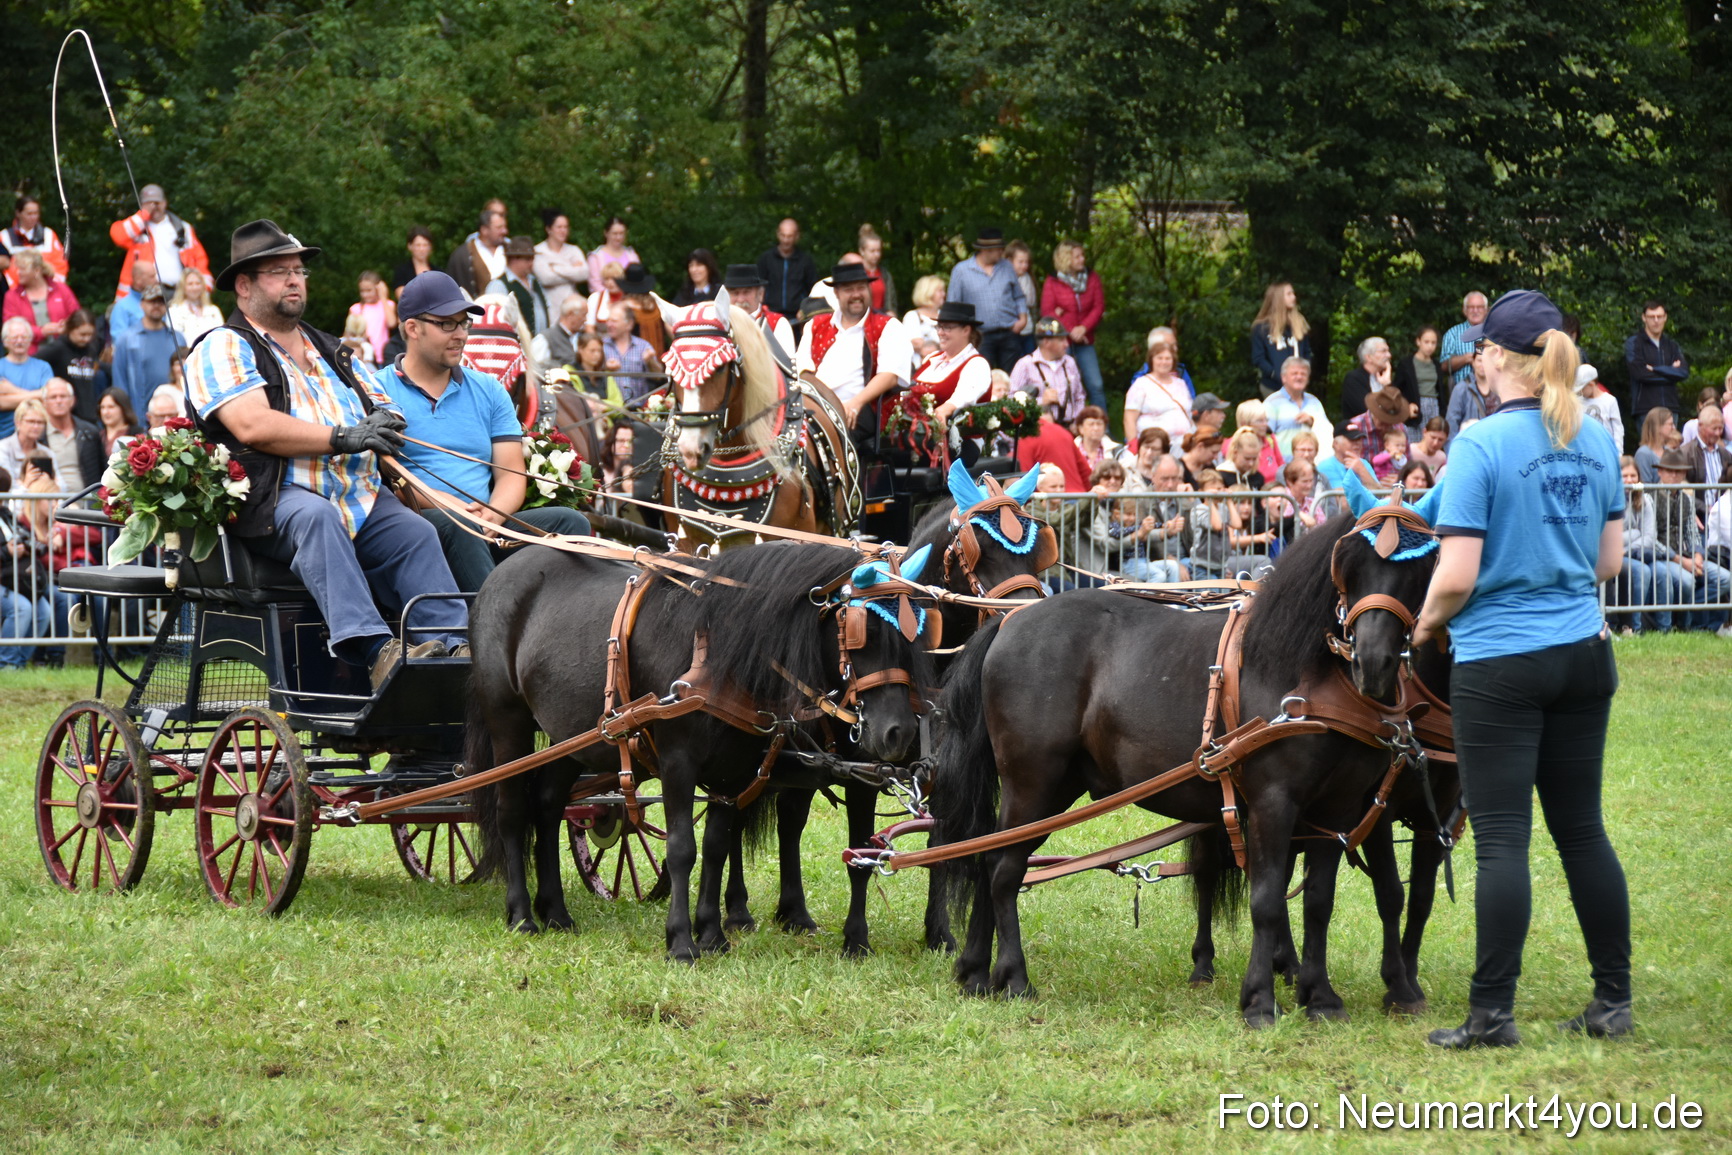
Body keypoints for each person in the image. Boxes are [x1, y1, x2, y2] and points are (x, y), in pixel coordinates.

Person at [1412, 288, 1631, 1049]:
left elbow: (1457, 573)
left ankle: (1491, 1015)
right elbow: (1609, 562)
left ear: (1492, 358)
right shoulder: (1596, 434)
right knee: (1583, 831)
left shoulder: (1478, 443)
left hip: (1501, 660)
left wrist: (1425, 623)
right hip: (1584, 653)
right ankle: (1613, 1000)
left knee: (1503, 839)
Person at [186, 219, 468, 686]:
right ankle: (377, 652)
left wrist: (386, 421)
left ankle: (456, 649)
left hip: (357, 495)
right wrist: (342, 437)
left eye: (299, 270)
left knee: (416, 532)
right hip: (276, 497)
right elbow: (253, 425)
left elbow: (383, 402)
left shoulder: (330, 348)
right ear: (243, 284)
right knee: (318, 519)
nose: (295, 279)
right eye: (279, 272)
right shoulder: (223, 346)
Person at [379, 272, 589, 592]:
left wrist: (493, 513)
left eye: (464, 324)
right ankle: (495, 629)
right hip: (421, 522)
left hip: (487, 522)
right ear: (412, 328)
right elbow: (390, 479)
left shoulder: (489, 390)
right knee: (460, 527)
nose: (461, 335)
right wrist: (452, 506)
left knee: (571, 524)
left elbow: (510, 474)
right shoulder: (377, 390)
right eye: (448, 324)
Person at [795, 263, 912, 437]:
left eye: (861, 288)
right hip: (815, 406)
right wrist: (821, 405)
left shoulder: (888, 326)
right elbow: (802, 371)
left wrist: (855, 403)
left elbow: (889, 376)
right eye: (849, 289)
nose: (856, 294)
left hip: (861, 408)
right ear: (837, 293)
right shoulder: (815, 325)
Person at [908, 301, 992, 468]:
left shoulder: (977, 364)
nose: (940, 333)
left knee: (898, 449)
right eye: (939, 327)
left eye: (947, 328)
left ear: (966, 330)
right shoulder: (931, 359)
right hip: (920, 435)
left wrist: (945, 409)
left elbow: (963, 397)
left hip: (958, 444)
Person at [945, 228, 1027, 373]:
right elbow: (954, 305)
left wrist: (1023, 318)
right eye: (998, 249)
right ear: (986, 250)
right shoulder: (962, 270)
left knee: (1013, 377)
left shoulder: (1007, 266)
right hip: (980, 335)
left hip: (1009, 332)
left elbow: (1018, 296)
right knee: (982, 377)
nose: (1002, 252)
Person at [108, 184, 210, 297]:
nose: (153, 206)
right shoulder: (137, 230)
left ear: (165, 203)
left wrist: (204, 291)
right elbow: (118, 236)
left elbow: (200, 259)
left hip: (179, 293)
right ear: (142, 205)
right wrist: (144, 214)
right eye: (148, 203)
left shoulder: (182, 228)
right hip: (146, 293)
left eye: (157, 202)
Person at [0, 465, 55, 670]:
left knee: (43, 610)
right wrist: (7, 552)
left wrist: (30, 545)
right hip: (5, 580)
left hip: (14, 579)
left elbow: (27, 538)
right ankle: (6, 664)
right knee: (21, 608)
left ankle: (19, 663)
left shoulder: (5, 514)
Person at [1040, 239, 1105, 409]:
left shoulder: (1092, 278)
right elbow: (1047, 312)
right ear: (1065, 258)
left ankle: (1102, 429)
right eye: (1077, 256)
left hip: (1085, 339)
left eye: (1082, 255)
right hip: (1062, 342)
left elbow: (1098, 307)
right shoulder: (1052, 281)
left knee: (1096, 384)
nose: (1082, 259)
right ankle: (1065, 425)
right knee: (1063, 385)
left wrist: (1083, 328)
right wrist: (1070, 331)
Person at [111, 284, 186, 418]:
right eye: (151, 301)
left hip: (176, 415)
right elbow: (119, 381)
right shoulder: (127, 339)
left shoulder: (178, 339)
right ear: (142, 304)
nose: (156, 305)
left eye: (161, 301)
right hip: (139, 416)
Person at [1008, 318, 1085, 425]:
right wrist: (1041, 401)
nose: (1066, 344)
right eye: (1061, 340)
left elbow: (1079, 397)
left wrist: (1078, 423)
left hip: (1070, 428)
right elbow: (1011, 400)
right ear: (1047, 342)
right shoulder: (1025, 364)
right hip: (1040, 430)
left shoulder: (1069, 362)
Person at [1624, 299, 1687, 428]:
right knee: (1650, 448)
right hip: (1646, 409)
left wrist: (1655, 369)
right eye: (1652, 317)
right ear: (1643, 318)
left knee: (1670, 448)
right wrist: (1670, 372)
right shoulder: (1634, 343)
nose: (1656, 320)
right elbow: (1640, 374)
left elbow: (1683, 372)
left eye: (1659, 316)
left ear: (1665, 318)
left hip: (1671, 407)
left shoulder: (1672, 346)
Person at [2, 250, 80, 354]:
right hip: (29, 354)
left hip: (63, 351)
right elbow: (10, 327)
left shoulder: (61, 289)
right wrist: (42, 331)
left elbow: (78, 316)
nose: (18, 273)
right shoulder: (12, 296)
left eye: (22, 269)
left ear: (37, 271)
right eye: (17, 269)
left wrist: (66, 325)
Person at [37, 310, 107, 422]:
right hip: (67, 415)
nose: (87, 339)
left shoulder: (91, 347)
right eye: (82, 334)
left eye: (90, 335)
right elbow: (33, 362)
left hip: (89, 412)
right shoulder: (57, 348)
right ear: (70, 330)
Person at [1248, 282, 1312, 398]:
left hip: (1297, 386)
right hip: (1272, 387)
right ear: (1278, 298)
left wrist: (1303, 372)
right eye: (1289, 294)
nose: (1294, 297)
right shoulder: (1261, 328)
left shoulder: (1300, 324)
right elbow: (1258, 358)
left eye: (1293, 293)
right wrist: (1275, 374)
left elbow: (1307, 353)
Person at [39, 378, 103, 493]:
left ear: (72, 400)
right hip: (52, 504)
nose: (58, 401)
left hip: (87, 504)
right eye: (53, 397)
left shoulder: (89, 432)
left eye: (63, 396)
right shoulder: (38, 434)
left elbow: (101, 470)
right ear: (44, 402)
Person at [1123, 338, 1193, 445]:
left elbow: (1189, 414)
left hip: (1183, 444)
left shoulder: (1181, 384)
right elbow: (1129, 419)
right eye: (1159, 358)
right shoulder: (1141, 384)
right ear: (1152, 360)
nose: (1164, 362)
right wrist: (1133, 446)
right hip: (1154, 445)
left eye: (1167, 358)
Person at [1263, 356, 1332, 457]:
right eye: (1294, 373)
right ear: (1284, 377)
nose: (1299, 377)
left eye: (1303, 374)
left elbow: (1328, 432)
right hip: (1282, 467)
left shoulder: (1314, 402)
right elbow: (1265, 437)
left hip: (1311, 465)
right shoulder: (1272, 402)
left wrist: (1313, 422)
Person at [721, 264, 795, 358]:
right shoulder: (719, 323)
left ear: (760, 294)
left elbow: (786, 367)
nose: (740, 299)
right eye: (735, 293)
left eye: (746, 292)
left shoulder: (778, 323)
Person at [481, 237, 548, 338]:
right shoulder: (499, 285)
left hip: (539, 346)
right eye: (527, 259)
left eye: (532, 259)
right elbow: (492, 320)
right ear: (514, 259)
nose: (531, 263)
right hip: (514, 346)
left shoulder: (535, 282)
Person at [757, 218, 820, 323]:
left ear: (797, 236)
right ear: (778, 234)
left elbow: (813, 288)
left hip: (797, 318)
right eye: (783, 235)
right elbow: (759, 286)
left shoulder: (805, 261)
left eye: (790, 236)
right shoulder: (766, 259)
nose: (786, 240)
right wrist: (762, 307)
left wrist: (805, 309)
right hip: (770, 315)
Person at [0, 316, 54, 439]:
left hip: (38, 435)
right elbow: (1, 403)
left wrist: (11, 391)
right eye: (14, 337)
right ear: (5, 341)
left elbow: (49, 400)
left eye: (24, 337)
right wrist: (38, 395)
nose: (19, 341)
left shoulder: (43, 367)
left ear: (30, 340)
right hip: (3, 435)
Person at [1014, 411, 1092, 491]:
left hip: (1052, 499)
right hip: (1079, 495)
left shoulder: (1027, 436)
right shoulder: (1064, 432)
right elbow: (1086, 472)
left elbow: (1025, 477)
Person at [600, 302, 660, 406]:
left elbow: (659, 376)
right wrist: (605, 368)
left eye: (614, 321)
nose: (609, 324)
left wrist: (650, 361)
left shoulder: (643, 346)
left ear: (629, 324)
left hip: (639, 409)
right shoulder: (601, 345)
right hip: (610, 409)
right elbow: (589, 374)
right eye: (608, 320)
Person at [2, 195, 68, 287]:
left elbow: (60, 265)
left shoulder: (48, 234)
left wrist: (54, 289)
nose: (33, 217)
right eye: (29, 213)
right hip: (14, 294)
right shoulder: (4, 236)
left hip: (45, 292)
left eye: (36, 213)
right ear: (18, 213)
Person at [532, 209, 586, 322]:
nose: (563, 231)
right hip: (550, 309)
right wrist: (573, 270)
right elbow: (546, 278)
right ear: (548, 229)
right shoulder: (538, 251)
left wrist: (556, 268)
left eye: (566, 227)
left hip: (573, 308)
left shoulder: (573, 250)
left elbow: (584, 274)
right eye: (559, 227)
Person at [447, 208, 509, 299]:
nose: (505, 231)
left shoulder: (511, 251)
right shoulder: (462, 255)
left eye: (504, 227)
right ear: (484, 230)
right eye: (499, 228)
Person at [1438, 290, 1488, 401]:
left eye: (1479, 307)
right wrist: (1465, 359)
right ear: (1464, 310)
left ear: (1486, 310)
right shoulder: (1453, 333)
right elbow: (1443, 367)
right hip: (1462, 395)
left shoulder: (1495, 333)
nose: (1475, 311)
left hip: (1492, 394)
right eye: (1471, 307)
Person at [1681, 406, 1729, 521]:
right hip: (1698, 515)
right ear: (1700, 426)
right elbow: (1681, 487)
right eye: (1714, 429)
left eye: (1720, 428)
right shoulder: (1686, 453)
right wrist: (1704, 508)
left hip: (1724, 515)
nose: (1718, 433)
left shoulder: (1725, 454)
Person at [1446, 347, 1499, 444]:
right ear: (1473, 362)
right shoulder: (1461, 389)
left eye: (1486, 361)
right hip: (1470, 444)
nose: (1482, 365)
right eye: (1479, 361)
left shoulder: (1498, 389)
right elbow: (1451, 423)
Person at [1393, 325, 1443, 427]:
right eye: (1426, 342)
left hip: (1434, 406)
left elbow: (1440, 390)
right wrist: (1406, 405)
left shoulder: (1436, 365)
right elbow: (1397, 388)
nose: (1430, 346)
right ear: (1418, 342)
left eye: (1433, 343)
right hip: (1415, 406)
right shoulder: (1406, 364)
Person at [0, 398, 56, 489]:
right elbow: (8, 486)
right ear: (18, 423)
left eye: (40, 422)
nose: (36, 426)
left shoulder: (47, 452)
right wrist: (26, 484)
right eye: (31, 421)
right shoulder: (3, 448)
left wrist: (50, 482)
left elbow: (62, 486)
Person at [1339, 336, 1396, 423]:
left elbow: (1399, 411)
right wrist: (1386, 389)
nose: (1389, 355)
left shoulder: (1385, 377)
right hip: (1362, 432)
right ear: (1369, 357)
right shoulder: (1354, 379)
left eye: (1388, 351)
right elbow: (1367, 412)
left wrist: (1387, 385)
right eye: (1383, 351)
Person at [346, 271, 398, 365]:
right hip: (363, 358)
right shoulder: (355, 308)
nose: (365, 295)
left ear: (378, 288)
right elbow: (348, 335)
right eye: (362, 291)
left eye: (369, 290)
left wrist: (383, 297)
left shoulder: (387, 305)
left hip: (384, 357)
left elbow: (392, 323)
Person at [107, 251, 160, 338]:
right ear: (138, 280)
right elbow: (119, 341)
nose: (156, 280)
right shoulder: (122, 307)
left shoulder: (161, 304)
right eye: (152, 276)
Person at [586, 216, 640, 300]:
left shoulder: (631, 255)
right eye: (615, 234)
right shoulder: (595, 257)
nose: (618, 237)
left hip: (629, 300)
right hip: (605, 301)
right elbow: (595, 285)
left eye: (621, 233)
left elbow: (637, 280)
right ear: (606, 233)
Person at [532, 294, 586, 376]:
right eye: (583, 315)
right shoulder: (546, 338)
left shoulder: (584, 337)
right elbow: (536, 370)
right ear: (571, 315)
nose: (585, 320)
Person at [169, 269, 223, 346]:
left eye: (198, 283)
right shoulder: (174, 311)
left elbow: (221, 335)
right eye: (190, 284)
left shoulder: (213, 310)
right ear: (183, 287)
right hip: (188, 354)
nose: (194, 287)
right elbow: (175, 339)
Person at [901, 275, 946, 365]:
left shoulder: (945, 316)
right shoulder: (912, 316)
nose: (944, 294)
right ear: (928, 292)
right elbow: (918, 345)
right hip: (918, 369)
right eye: (940, 291)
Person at [856, 225, 898, 315]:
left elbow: (891, 302)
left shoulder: (885, 275)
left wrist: (891, 314)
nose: (877, 255)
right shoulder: (855, 274)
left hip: (882, 319)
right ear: (862, 251)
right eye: (872, 251)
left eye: (879, 251)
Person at [391, 226, 437, 302]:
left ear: (430, 247)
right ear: (410, 246)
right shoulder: (402, 271)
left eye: (425, 245)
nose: (422, 249)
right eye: (418, 245)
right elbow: (402, 297)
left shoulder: (438, 271)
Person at [1072, 405, 1120, 474]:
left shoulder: (1116, 451)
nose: (1096, 428)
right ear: (1081, 428)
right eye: (1091, 424)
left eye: (1099, 424)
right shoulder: (1071, 450)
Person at [1631, 407, 1673, 484]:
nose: (1673, 428)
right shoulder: (1643, 454)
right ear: (1659, 426)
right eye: (1670, 424)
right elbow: (1645, 488)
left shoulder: (1670, 451)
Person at [96, 387, 141, 454]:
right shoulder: (97, 436)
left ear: (123, 408)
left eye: (111, 407)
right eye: (102, 407)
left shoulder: (138, 434)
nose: (105, 412)